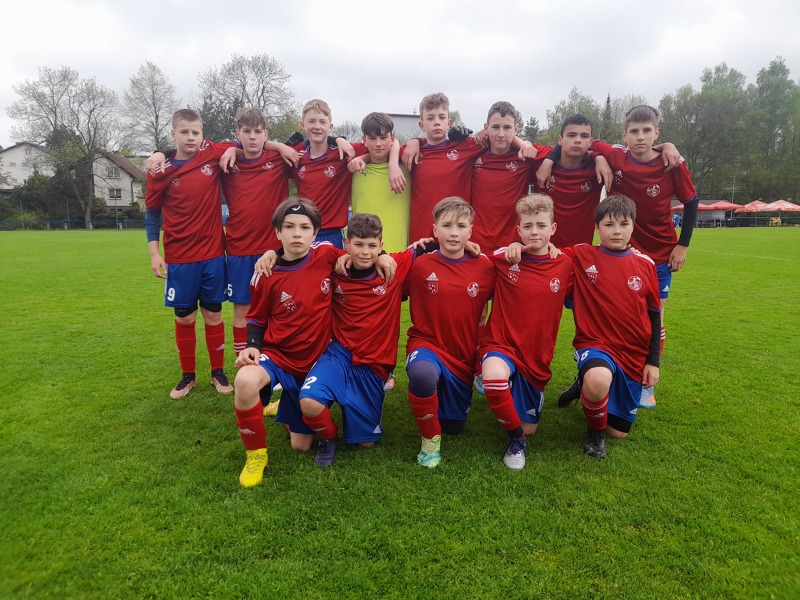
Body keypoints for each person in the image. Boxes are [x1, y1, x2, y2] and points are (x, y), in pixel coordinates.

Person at [539, 108, 690, 408]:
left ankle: (636, 381)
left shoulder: (665, 161)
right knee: (551, 319)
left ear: (656, 133)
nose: (640, 136)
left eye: (647, 131)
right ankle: (541, 378)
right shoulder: (596, 155)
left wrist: (682, 244)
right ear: (624, 134)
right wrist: (549, 160)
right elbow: (573, 145)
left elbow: (691, 200)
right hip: (560, 257)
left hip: (645, 255)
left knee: (639, 318)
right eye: (634, 131)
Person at [232, 197, 343, 487]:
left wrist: (383, 255)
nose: (297, 233)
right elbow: (256, 317)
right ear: (277, 232)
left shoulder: (326, 254)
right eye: (289, 227)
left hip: (317, 358)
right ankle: (256, 455)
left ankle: (285, 403)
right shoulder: (265, 272)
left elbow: (359, 255)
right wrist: (252, 346)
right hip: (279, 355)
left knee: (301, 445)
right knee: (244, 380)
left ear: (315, 233)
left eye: (304, 227)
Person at [297, 213, 416, 467]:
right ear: (346, 243)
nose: (365, 252)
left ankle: (353, 404)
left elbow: (427, 246)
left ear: (381, 245)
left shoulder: (394, 266)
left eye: (372, 246)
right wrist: (272, 253)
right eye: (358, 244)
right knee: (309, 402)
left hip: (373, 364)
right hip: (338, 354)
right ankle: (328, 438)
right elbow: (300, 251)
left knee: (365, 443)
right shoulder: (335, 268)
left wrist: (472, 246)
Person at [559, 194, 662, 458]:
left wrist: (653, 361)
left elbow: (654, 315)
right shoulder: (582, 255)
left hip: (633, 352)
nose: (617, 231)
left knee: (619, 432)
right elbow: (544, 250)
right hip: (596, 344)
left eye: (624, 224)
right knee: (599, 379)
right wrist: (517, 245)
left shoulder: (645, 264)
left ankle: (582, 385)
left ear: (633, 226)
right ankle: (594, 435)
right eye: (609, 224)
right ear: (597, 228)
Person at [144, 109, 234, 400]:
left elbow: (246, 142)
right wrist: (155, 254)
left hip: (212, 255)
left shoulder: (210, 153)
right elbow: (152, 214)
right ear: (173, 134)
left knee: (213, 314)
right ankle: (188, 376)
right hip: (180, 258)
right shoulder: (160, 170)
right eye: (184, 132)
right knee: (184, 318)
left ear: (202, 134)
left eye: (196, 132)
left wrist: (279, 147)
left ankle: (218, 373)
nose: (191, 137)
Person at [479, 194, 574, 470]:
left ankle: (520, 403)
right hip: (502, 344)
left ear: (553, 229)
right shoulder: (504, 258)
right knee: (493, 378)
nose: (534, 232)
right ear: (518, 230)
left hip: (536, 355)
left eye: (541, 225)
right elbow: (470, 258)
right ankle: (516, 441)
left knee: (530, 426)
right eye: (528, 226)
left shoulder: (565, 264)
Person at [404, 197, 495, 468]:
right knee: (423, 376)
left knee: (454, 426)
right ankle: (430, 442)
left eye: (461, 226)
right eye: (446, 226)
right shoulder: (418, 264)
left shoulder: (486, 266)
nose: (453, 233)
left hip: (462, 356)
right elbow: (379, 266)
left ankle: (447, 398)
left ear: (471, 231)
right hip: (426, 343)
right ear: (434, 230)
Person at [401, 93, 536, 243]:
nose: (437, 122)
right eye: (430, 118)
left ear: (449, 122)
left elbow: (499, 137)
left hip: (457, 236)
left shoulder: (466, 147)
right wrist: (412, 144)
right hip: (421, 234)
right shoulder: (411, 151)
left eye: (441, 117)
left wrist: (524, 144)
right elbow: (387, 148)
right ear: (421, 125)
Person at [348, 112, 410, 252]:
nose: (378, 144)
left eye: (383, 138)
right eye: (372, 138)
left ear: (392, 138)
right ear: (364, 140)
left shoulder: (406, 167)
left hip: (399, 251)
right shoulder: (354, 169)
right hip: (363, 253)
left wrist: (393, 164)